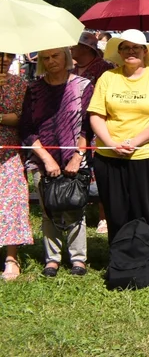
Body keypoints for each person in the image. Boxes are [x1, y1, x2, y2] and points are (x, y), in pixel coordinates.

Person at [87, 30, 149, 245]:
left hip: (148, 155)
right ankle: (120, 258)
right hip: (109, 156)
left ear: (145, 51)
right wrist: (111, 144)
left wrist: (134, 142)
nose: (131, 51)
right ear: (119, 52)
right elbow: (96, 115)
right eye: (125, 47)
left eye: (136, 47)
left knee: (148, 211)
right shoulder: (108, 77)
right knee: (116, 212)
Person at [20, 48, 93, 276]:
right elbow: (27, 129)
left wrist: (78, 155)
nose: (51, 61)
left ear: (66, 58)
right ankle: (52, 259)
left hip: (76, 156)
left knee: (74, 206)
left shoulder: (83, 86)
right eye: (45, 58)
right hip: (43, 159)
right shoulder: (34, 90)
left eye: (55, 56)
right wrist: (46, 158)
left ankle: (78, 259)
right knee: (47, 209)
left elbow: (89, 125)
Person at [1, 52, 34, 280]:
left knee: (11, 199)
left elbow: (21, 118)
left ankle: (11, 257)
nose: (4, 59)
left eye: (8, 55)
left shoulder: (20, 84)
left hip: (9, 150)